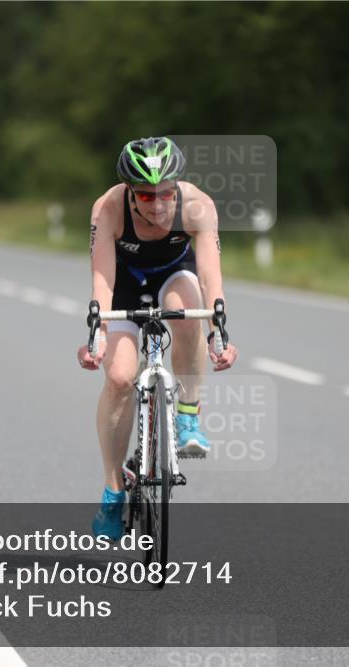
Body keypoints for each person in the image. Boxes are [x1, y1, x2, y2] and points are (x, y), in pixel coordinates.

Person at [77, 137, 238, 539]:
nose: (158, 203)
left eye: (166, 193)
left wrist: (219, 332)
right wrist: (96, 336)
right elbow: (102, 281)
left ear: (177, 186)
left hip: (174, 272)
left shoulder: (197, 206)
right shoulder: (108, 209)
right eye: (146, 196)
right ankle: (114, 492)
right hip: (125, 285)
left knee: (188, 315)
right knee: (118, 378)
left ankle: (188, 414)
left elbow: (210, 278)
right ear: (130, 192)